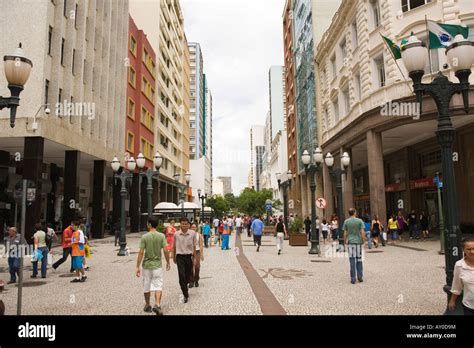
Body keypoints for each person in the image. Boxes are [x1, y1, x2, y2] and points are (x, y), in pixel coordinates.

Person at [136, 216, 170, 315]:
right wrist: (168, 262)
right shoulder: (161, 236)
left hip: (147, 266)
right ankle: (157, 305)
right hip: (157, 266)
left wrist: (137, 266)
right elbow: (165, 250)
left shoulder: (145, 237)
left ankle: (147, 305)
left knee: (146, 286)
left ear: (149, 224)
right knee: (158, 285)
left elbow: (141, 252)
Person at [449, 236, 474, 315]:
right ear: (464, 250)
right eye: (469, 249)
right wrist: (452, 300)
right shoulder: (459, 265)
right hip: (469, 306)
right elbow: (457, 285)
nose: (472, 251)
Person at [173, 217, 196, 303]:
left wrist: (194, 258)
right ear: (180, 224)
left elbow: (194, 246)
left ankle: (184, 286)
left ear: (188, 225)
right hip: (180, 257)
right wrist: (173, 256)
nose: (184, 225)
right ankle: (185, 294)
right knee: (181, 275)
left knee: (187, 275)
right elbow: (174, 246)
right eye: (182, 224)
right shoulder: (176, 234)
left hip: (188, 256)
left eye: (186, 224)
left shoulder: (192, 233)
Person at [342, 208, 366, 284]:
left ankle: (353, 279)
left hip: (351, 242)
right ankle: (360, 276)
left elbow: (345, 233)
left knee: (352, 260)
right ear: (355, 212)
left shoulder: (346, 221)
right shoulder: (359, 221)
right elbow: (362, 232)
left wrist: (345, 241)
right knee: (359, 259)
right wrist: (363, 240)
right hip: (358, 242)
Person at [189, 222, 204, 288]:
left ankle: (196, 279)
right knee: (190, 267)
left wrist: (202, 254)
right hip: (190, 252)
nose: (193, 228)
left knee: (197, 266)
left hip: (197, 252)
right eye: (192, 227)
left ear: (196, 228)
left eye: (195, 227)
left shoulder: (199, 235)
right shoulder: (188, 235)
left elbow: (201, 245)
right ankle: (191, 281)